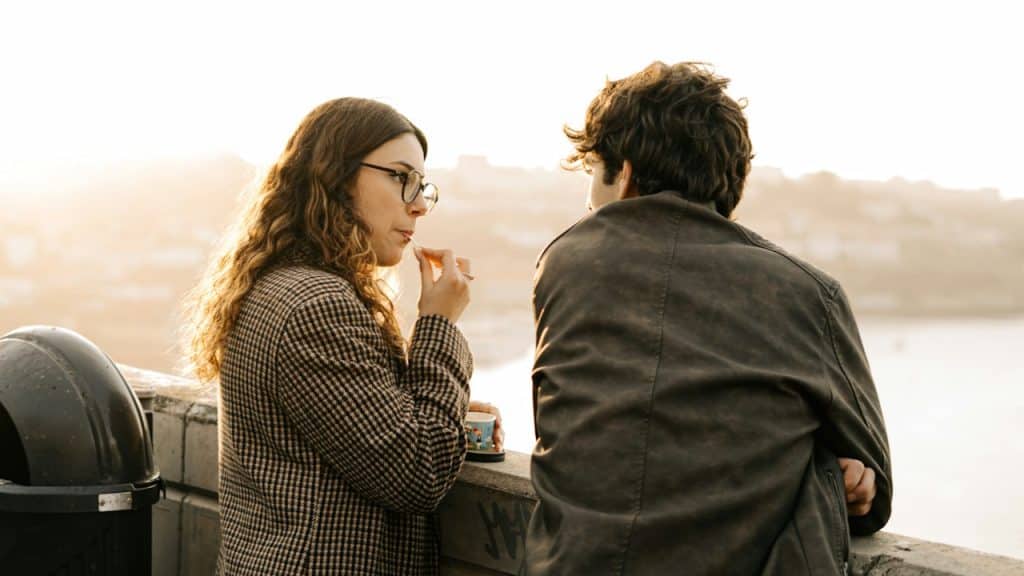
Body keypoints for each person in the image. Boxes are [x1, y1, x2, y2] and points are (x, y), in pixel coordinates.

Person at [526, 62, 891, 575]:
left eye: (592, 175)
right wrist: (829, 471)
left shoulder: (565, 263)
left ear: (623, 173)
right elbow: (875, 493)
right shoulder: (809, 294)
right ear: (730, 182)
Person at [184, 97, 501, 575]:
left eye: (422, 186)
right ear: (337, 175)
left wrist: (435, 403)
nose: (418, 205)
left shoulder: (279, 283)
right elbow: (418, 473)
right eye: (401, 177)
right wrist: (439, 324)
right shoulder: (318, 305)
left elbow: (349, 420)